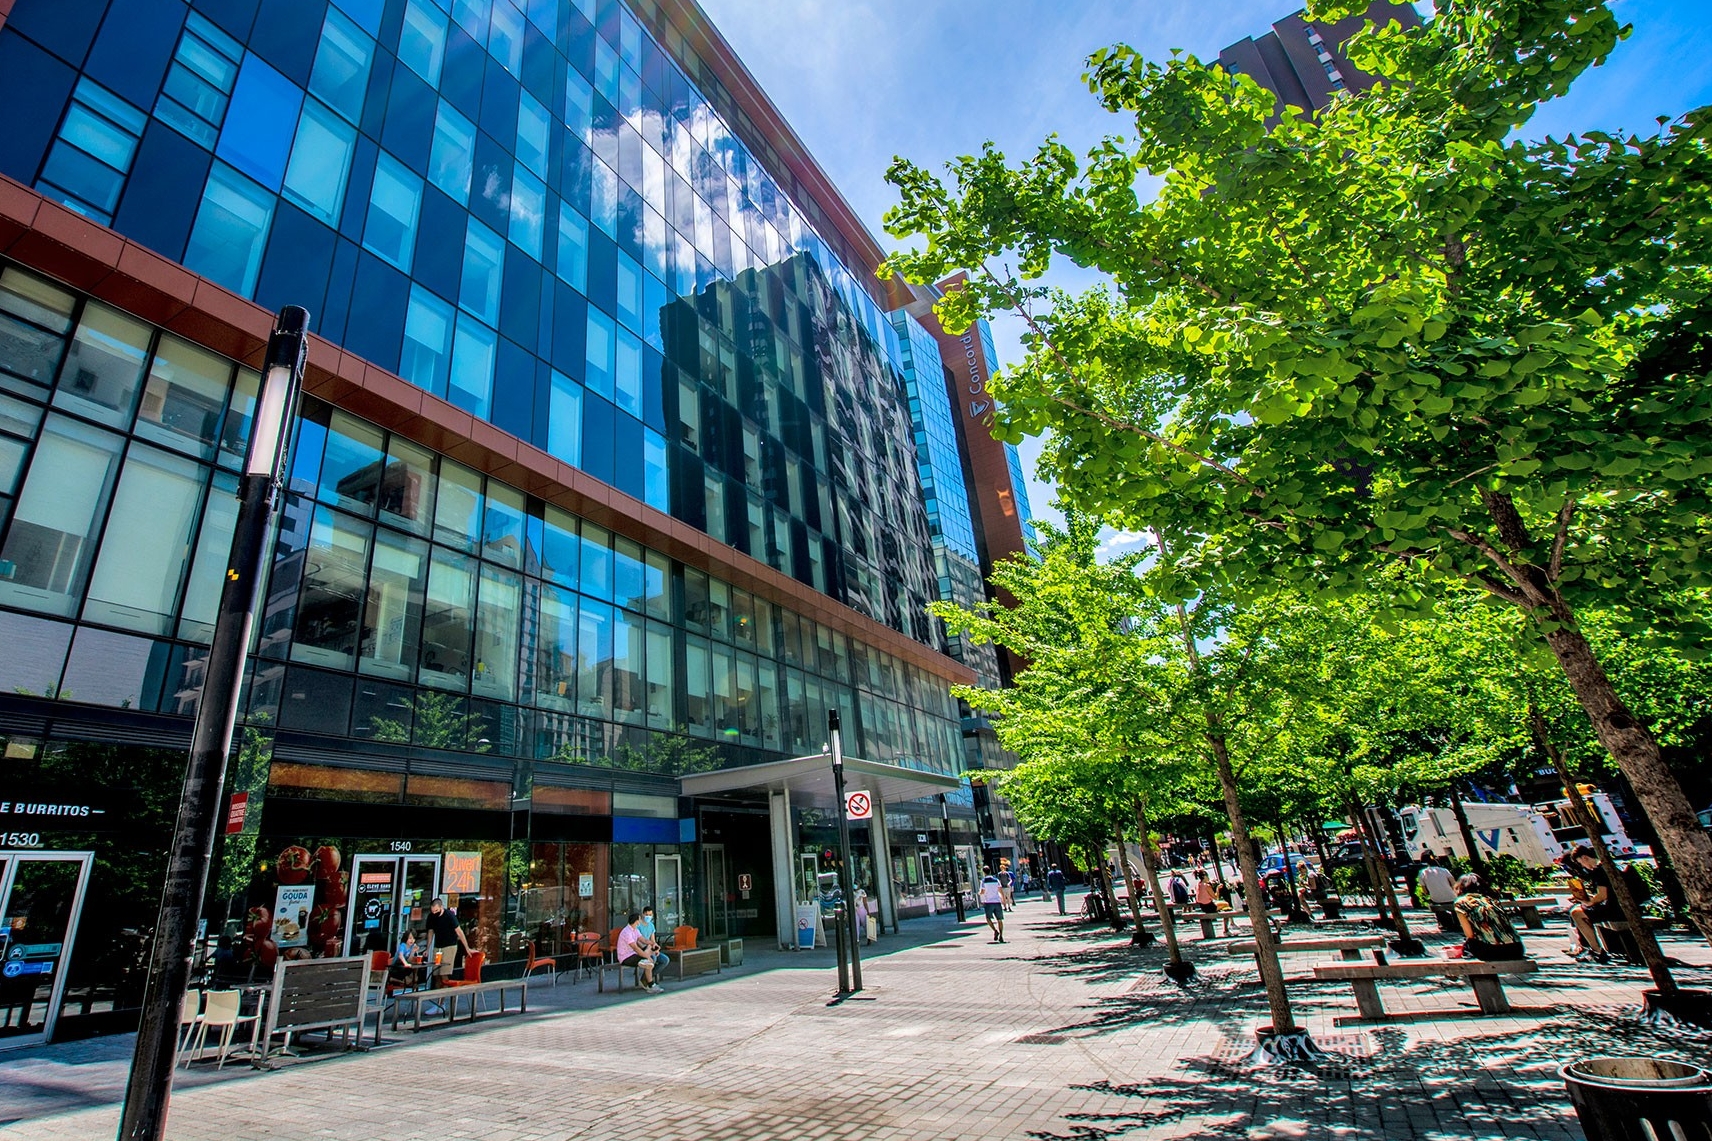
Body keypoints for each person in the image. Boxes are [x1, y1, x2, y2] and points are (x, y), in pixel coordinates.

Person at [1452, 873, 1527, 961]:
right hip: (1516, 949)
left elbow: (1470, 934)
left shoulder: (1461, 903)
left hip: (1491, 951)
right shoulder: (1491, 900)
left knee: (1468, 945)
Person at [1567, 846, 1617, 963]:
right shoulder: (1607, 865)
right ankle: (1590, 947)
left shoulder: (1599, 871)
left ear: (1585, 858)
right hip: (1616, 905)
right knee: (1580, 910)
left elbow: (1602, 895)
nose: (1584, 866)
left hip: (1613, 909)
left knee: (1576, 913)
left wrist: (1589, 902)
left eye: (1581, 863)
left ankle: (1597, 950)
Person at [424, 897, 471, 985]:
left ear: (441, 907)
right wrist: (427, 948)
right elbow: (430, 932)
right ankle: (438, 993)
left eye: (436, 910)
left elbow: (459, 932)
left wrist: (467, 947)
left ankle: (443, 995)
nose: (434, 913)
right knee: (436, 972)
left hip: (449, 945)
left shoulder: (449, 916)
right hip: (438, 946)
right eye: (433, 911)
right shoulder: (431, 917)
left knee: (444, 972)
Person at [615, 911, 660, 991]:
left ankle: (648, 982)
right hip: (626, 957)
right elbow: (635, 948)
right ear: (636, 921)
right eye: (639, 920)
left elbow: (644, 940)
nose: (640, 921)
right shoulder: (626, 932)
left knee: (649, 953)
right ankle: (650, 985)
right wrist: (647, 956)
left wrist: (653, 943)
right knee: (648, 963)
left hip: (633, 954)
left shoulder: (635, 930)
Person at [1417, 851, 1459, 931]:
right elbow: (1454, 884)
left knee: (1435, 902)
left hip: (1436, 899)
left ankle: (1443, 924)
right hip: (1451, 897)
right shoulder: (1444, 870)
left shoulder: (1422, 873)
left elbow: (1425, 891)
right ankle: (1456, 922)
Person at [636, 906, 671, 974]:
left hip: (650, 948)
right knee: (653, 959)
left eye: (650, 915)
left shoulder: (651, 926)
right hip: (641, 949)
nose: (648, 916)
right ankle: (648, 979)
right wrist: (646, 948)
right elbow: (637, 941)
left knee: (665, 960)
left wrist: (656, 949)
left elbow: (653, 940)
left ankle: (648, 977)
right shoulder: (638, 925)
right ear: (643, 914)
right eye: (646, 915)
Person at [978, 873, 1006, 943]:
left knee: (988, 918)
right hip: (997, 901)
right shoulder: (996, 880)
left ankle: (995, 930)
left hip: (988, 902)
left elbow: (982, 891)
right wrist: (1004, 900)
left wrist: (979, 893)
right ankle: (1001, 935)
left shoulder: (983, 881)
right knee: (999, 919)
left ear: (984, 873)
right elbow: (1000, 890)